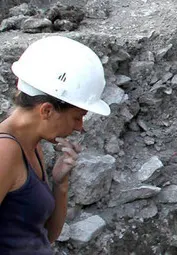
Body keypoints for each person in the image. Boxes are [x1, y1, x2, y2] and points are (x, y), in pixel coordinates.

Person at [0, 36, 110, 253]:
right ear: (47, 110)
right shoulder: (5, 152)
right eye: (77, 117)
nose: (80, 127)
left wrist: (60, 184)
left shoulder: (31, 146)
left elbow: (45, 236)